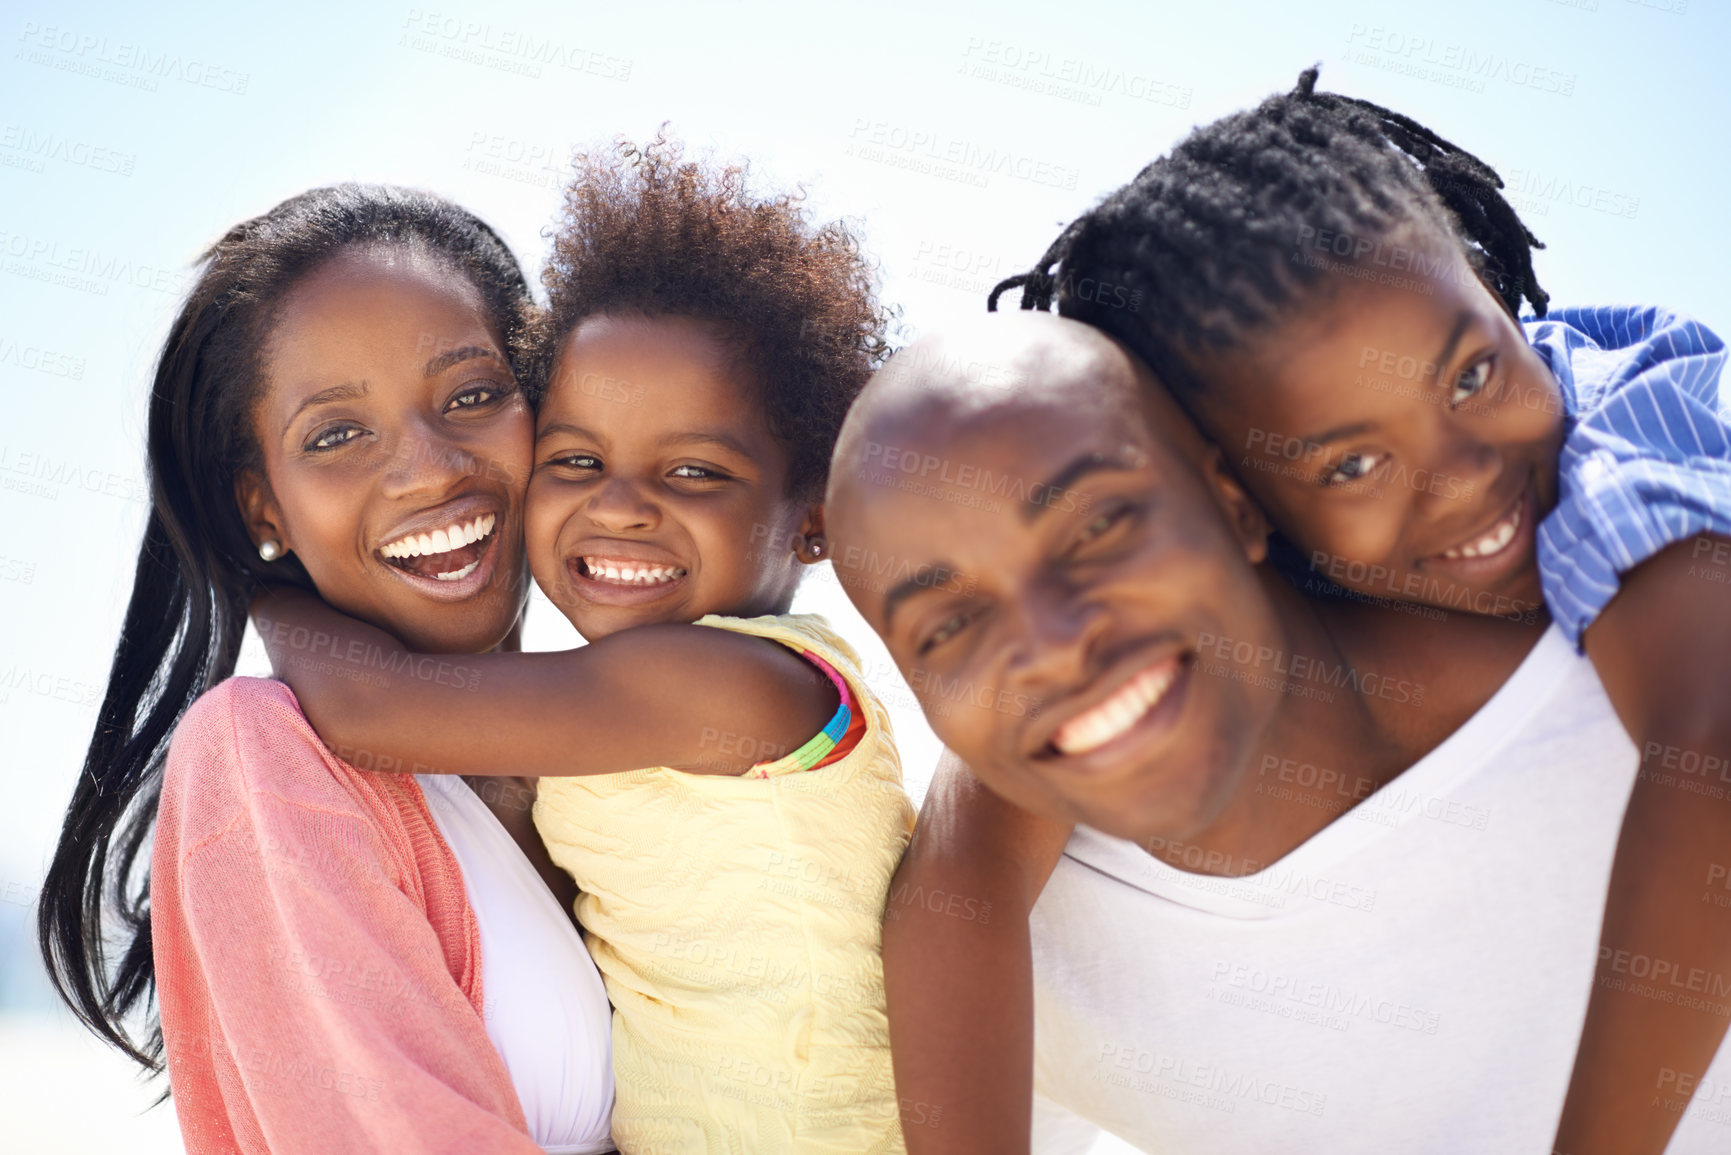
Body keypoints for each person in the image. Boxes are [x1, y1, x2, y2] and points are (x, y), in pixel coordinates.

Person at [995, 68, 1731, 1154]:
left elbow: (1710, 752)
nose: (1466, 475)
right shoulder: (1226, 588)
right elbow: (969, 865)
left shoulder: (1618, 432)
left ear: (1486, 285)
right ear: (1231, 496)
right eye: (1351, 466)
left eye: (1475, 373)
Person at [828, 312, 1731, 1153]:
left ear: (1234, 499)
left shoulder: (1629, 650)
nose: (1054, 646)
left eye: (1098, 525)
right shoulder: (994, 974)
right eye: (948, 627)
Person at [254, 136, 915, 1154]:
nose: (621, 508)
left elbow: (376, 711)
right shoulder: (632, 704)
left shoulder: (737, 683)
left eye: (693, 472)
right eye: (576, 458)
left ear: (816, 517)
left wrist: (258, 576)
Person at [35, 185, 616, 1153]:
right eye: (337, 436)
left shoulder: (630, 744)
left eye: (473, 395)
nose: (429, 469)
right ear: (263, 506)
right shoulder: (260, 753)